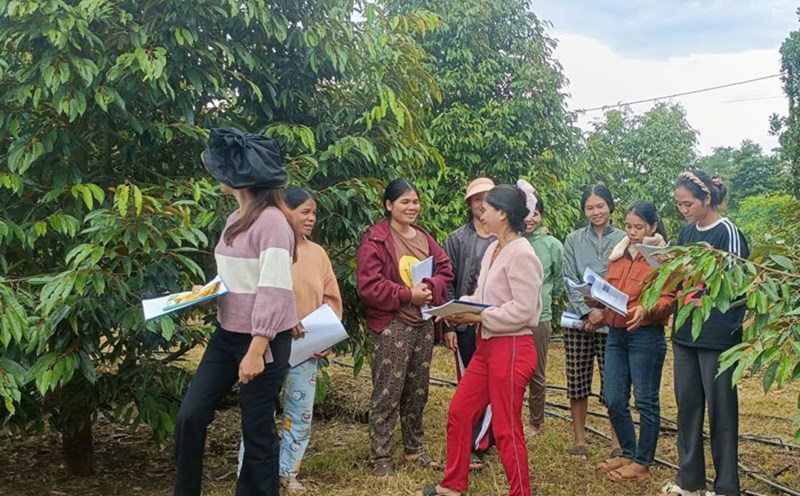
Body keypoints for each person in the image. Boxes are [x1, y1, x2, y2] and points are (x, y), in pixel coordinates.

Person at [173, 128, 297, 496]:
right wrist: (209, 288)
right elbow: (239, 276)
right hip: (227, 335)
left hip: (263, 341)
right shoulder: (234, 220)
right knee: (190, 416)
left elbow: (273, 290)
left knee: (257, 429)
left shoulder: (273, 222)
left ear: (240, 179)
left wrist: (256, 350)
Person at [420, 183, 543, 496]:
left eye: (486, 208)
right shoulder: (494, 248)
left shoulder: (522, 254)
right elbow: (484, 295)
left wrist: (477, 316)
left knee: (505, 427)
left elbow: (524, 310)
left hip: (512, 346)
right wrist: (459, 307)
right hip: (488, 346)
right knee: (460, 412)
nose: (481, 213)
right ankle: (453, 483)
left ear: (502, 214)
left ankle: (521, 492)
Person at [236, 187, 343, 494]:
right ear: (285, 210)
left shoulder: (317, 253)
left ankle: (288, 472)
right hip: (266, 349)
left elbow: (331, 299)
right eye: (304, 211)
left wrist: (325, 335)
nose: (311, 218)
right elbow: (254, 295)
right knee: (259, 415)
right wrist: (284, 320)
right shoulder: (266, 247)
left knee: (301, 415)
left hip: (305, 352)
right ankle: (252, 471)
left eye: (314, 213)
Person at [356, 178, 454, 477]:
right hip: (391, 325)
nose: (412, 207)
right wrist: (406, 294)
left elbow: (446, 269)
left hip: (422, 323)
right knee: (388, 391)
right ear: (389, 205)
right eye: (405, 202)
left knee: (417, 390)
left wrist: (430, 286)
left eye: (415, 201)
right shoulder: (375, 240)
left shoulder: (424, 237)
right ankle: (380, 456)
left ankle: (414, 449)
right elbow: (368, 286)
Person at [661, 171, 749, 496]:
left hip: (717, 336)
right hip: (685, 333)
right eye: (679, 204)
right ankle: (690, 478)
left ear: (706, 199)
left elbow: (737, 281)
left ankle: (726, 486)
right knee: (688, 406)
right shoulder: (686, 232)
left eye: (688, 203)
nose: (683, 210)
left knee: (722, 410)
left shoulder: (727, 232)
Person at [594, 200, 674, 483]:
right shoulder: (617, 254)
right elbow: (609, 288)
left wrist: (648, 308)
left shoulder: (661, 257)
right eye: (628, 226)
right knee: (614, 397)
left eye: (639, 227)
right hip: (615, 333)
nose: (632, 232)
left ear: (653, 226)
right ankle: (628, 451)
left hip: (645, 335)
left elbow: (669, 297)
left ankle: (643, 461)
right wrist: (595, 295)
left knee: (645, 400)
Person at [562, 184, 625, 460]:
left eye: (600, 205)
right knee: (577, 379)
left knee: (614, 382)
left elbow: (625, 281)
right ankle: (579, 439)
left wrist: (605, 313)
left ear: (610, 206)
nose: (596, 211)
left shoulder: (624, 238)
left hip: (613, 322)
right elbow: (568, 278)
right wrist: (588, 313)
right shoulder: (573, 240)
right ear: (583, 210)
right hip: (580, 321)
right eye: (590, 207)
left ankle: (616, 442)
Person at [441, 177, 496, 468]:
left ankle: (488, 436)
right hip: (464, 323)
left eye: (488, 197)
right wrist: (449, 325)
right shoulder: (457, 239)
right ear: (469, 204)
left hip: (496, 324)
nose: (482, 203)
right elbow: (447, 283)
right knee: (470, 384)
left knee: (496, 381)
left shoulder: (505, 239)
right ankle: (475, 440)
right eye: (477, 199)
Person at [521, 188, 563, 437]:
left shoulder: (551, 245)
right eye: (526, 213)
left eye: (535, 213)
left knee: (537, 371)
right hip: (513, 315)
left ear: (542, 216)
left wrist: (548, 299)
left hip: (540, 315)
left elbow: (558, 280)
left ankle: (536, 421)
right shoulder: (511, 240)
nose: (530, 219)